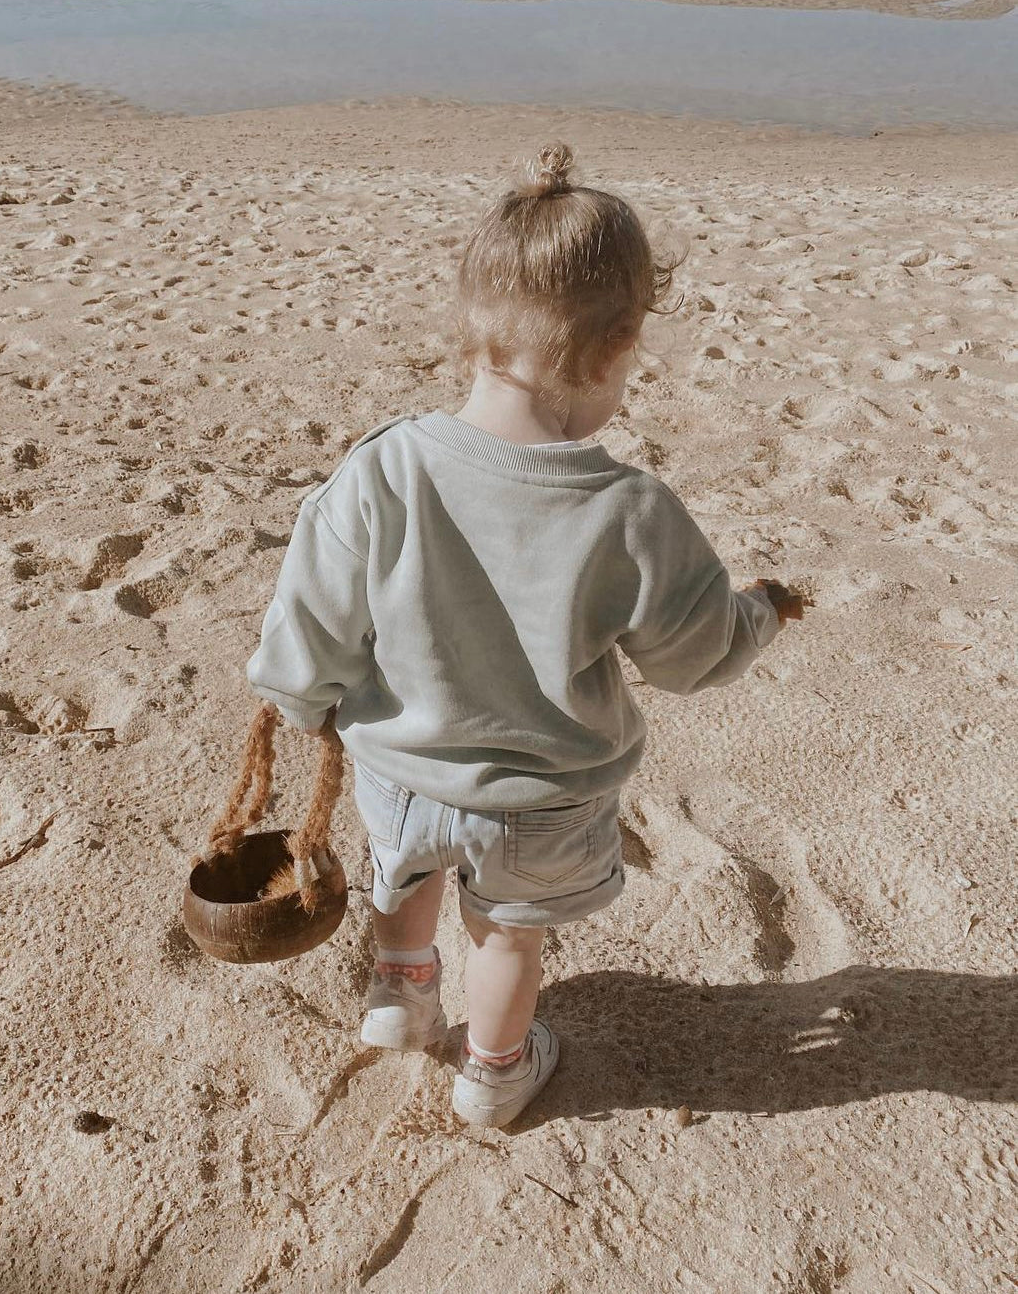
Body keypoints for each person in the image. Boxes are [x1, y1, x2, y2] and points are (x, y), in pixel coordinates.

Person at [245, 142, 803, 1127]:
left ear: (471, 331)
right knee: (506, 936)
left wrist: (295, 692)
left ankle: (401, 995)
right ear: (614, 346)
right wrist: (757, 612)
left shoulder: (382, 469)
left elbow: (313, 605)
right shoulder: (630, 509)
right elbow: (692, 652)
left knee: (403, 873)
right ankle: (494, 1074)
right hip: (541, 799)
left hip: (400, 767)